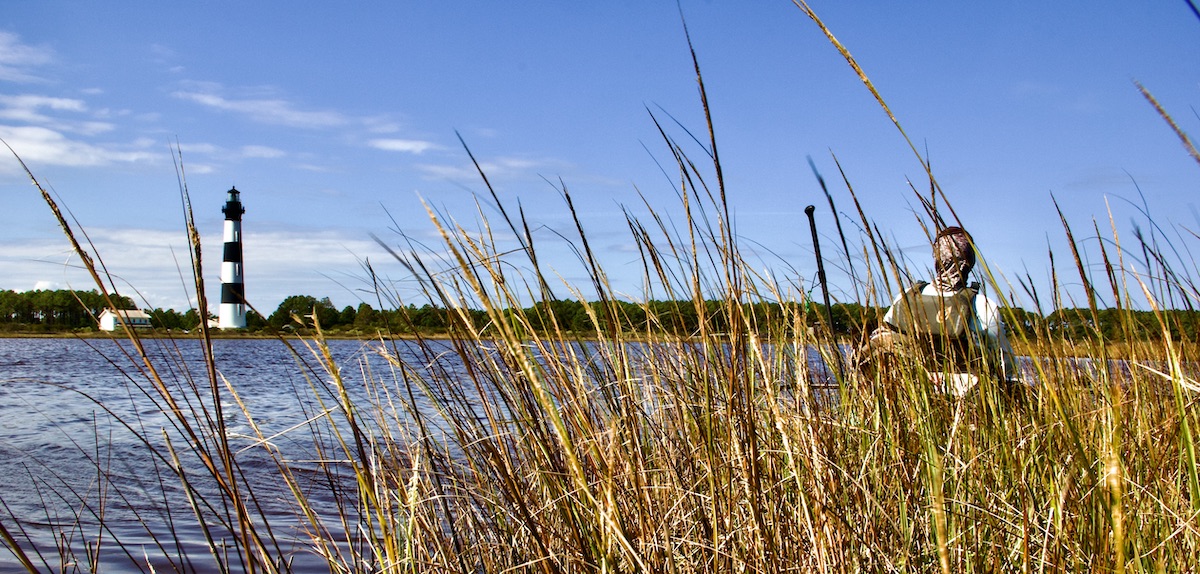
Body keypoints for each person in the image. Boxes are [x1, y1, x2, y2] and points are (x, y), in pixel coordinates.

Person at [855, 226, 1017, 396]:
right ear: (970, 261)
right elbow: (1005, 366)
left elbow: (878, 342)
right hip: (969, 399)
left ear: (936, 259)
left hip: (914, 396)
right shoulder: (984, 306)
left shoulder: (905, 298)